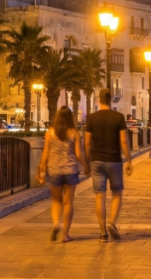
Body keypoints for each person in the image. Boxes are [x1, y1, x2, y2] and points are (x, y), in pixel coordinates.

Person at [84, 89, 132, 241]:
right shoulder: (118, 117)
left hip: (97, 160)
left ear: (99, 100)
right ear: (111, 100)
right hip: (114, 160)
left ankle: (103, 233)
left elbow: (86, 143)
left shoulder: (91, 118)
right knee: (117, 193)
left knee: (100, 196)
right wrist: (129, 160)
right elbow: (124, 141)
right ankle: (112, 221)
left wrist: (86, 162)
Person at [37, 106, 86, 242]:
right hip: (70, 170)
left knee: (56, 200)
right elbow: (77, 154)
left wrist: (41, 167)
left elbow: (46, 152)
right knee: (68, 202)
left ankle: (55, 224)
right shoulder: (74, 133)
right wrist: (86, 165)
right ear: (71, 118)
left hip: (54, 170)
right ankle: (66, 235)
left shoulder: (50, 133)